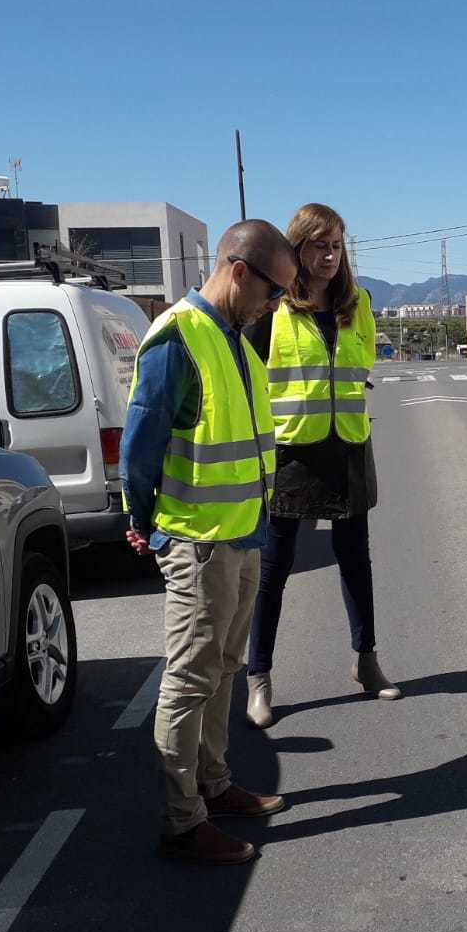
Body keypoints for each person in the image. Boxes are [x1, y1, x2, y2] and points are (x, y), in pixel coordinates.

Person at [121, 220, 297, 866]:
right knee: (190, 679)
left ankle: (215, 784)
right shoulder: (178, 339)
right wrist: (143, 521)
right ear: (239, 271)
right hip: (197, 542)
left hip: (241, 536)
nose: (276, 304)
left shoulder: (237, 343)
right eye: (274, 291)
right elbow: (140, 448)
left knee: (224, 667)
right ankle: (182, 821)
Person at [243, 203, 399, 730]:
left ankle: (366, 661)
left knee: (357, 560)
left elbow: (362, 368)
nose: (330, 256)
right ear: (297, 249)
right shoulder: (272, 311)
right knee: (274, 570)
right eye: (318, 246)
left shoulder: (360, 303)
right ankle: (258, 677)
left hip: (349, 446)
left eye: (336, 245)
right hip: (292, 453)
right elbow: (248, 380)